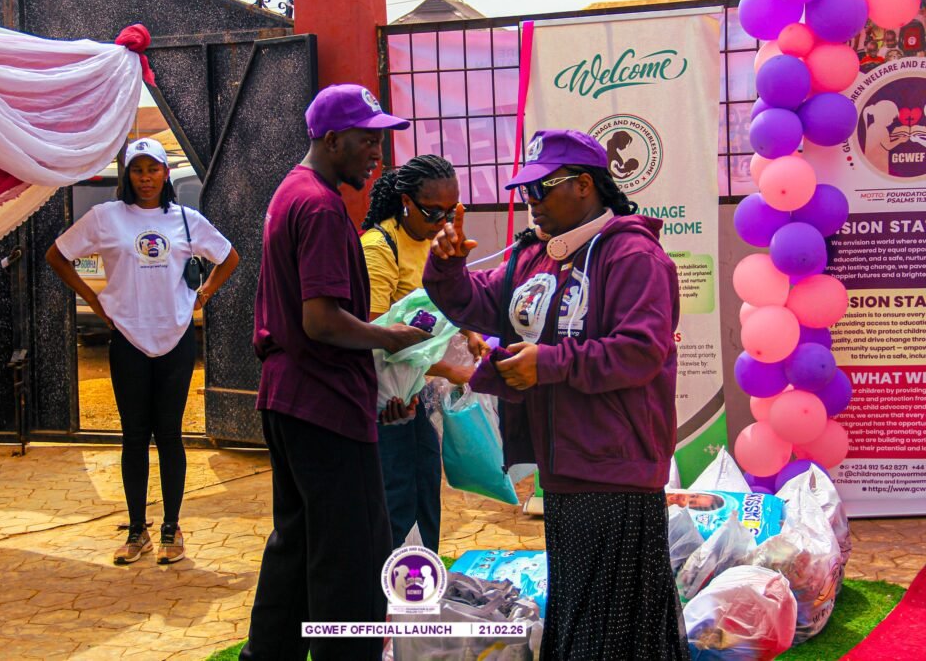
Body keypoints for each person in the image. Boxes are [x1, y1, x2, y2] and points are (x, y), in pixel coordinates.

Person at [423, 129, 688, 659]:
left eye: (541, 189)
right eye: (526, 192)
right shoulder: (537, 257)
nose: (532, 203)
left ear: (584, 185)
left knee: (610, 624)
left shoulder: (633, 255)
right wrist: (448, 267)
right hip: (562, 463)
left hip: (616, 464)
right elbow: (476, 302)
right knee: (582, 609)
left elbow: (641, 351)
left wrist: (549, 364)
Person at [242, 83, 428, 661]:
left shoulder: (291, 191)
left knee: (297, 546)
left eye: (380, 140)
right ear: (330, 139)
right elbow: (321, 321)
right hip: (323, 403)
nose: (377, 154)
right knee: (351, 555)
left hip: (290, 399)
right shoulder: (321, 207)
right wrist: (392, 338)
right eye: (367, 140)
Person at [46, 138, 239, 565]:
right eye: (138, 170)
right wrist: (94, 299)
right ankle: (137, 531)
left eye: (153, 169)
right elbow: (57, 255)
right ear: (127, 175)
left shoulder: (185, 219)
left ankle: (172, 528)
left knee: (169, 435)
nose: (146, 178)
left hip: (175, 338)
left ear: (165, 174)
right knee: (134, 436)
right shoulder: (105, 217)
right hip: (128, 339)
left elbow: (229, 257)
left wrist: (204, 294)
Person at [361, 154, 488, 553]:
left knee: (424, 494)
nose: (443, 222)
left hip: (418, 392)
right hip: (388, 400)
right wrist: (451, 370)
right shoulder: (378, 248)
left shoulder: (436, 241)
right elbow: (376, 338)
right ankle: (393, 585)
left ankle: (423, 578)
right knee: (397, 501)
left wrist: (470, 332)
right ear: (406, 202)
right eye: (433, 212)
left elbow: (443, 298)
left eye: (451, 211)